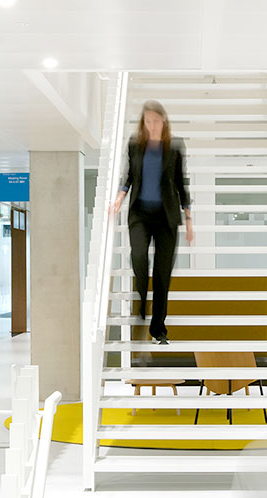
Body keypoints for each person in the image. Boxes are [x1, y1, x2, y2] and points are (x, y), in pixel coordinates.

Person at [109, 100, 193, 345]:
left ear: (163, 121)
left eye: (156, 121)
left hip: (166, 217)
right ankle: (142, 300)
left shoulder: (175, 147)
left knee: (162, 275)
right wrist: (119, 197)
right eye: (148, 121)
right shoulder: (135, 145)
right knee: (138, 257)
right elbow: (130, 176)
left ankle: (159, 329)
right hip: (140, 214)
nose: (152, 125)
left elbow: (180, 182)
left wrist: (188, 219)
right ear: (143, 123)